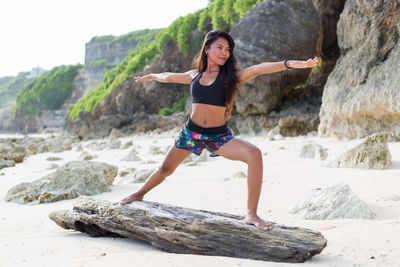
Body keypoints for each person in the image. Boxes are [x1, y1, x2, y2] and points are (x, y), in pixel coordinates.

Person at [120, 30, 319, 231]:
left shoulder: (231, 77)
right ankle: (139, 193)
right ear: (207, 49)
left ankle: (251, 214)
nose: (224, 53)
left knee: (254, 154)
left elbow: (258, 69)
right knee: (165, 169)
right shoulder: (194, 75)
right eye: (220, 48)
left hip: (217, 136)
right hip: (191, 133)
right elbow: (169, 77)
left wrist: (290, 64)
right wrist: (153, 76)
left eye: (228, 49)